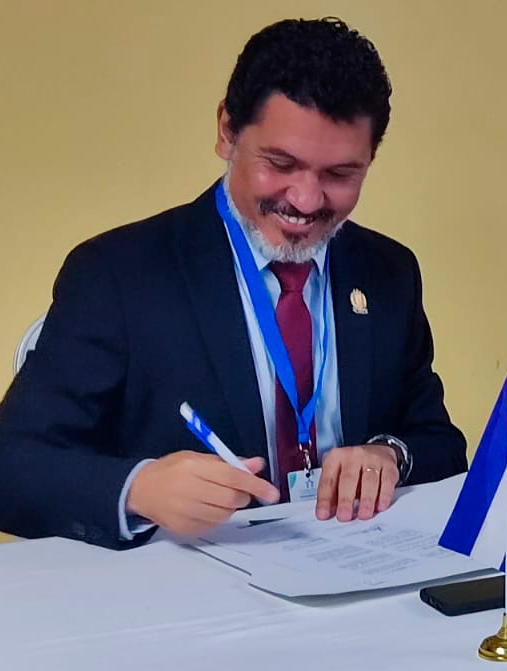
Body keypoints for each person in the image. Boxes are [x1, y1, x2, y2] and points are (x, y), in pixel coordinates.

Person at [0, 18, 466, 548]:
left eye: (339, 174)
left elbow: (442, 444)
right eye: (280, 163)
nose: (307, 201)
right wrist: (138, 489)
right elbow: (13, 465)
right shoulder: (118, 273)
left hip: (354, 579)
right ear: (227, 131)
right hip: (180, 599)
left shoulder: (389, 271)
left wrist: (390, 455)